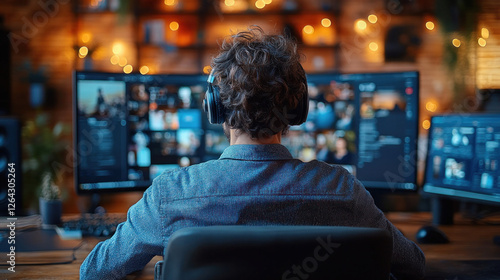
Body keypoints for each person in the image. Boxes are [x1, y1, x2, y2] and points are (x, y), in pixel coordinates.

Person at [80, 26, 425, 280]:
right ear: (297, 110)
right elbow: (412, 265)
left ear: (214, 108)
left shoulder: (170, 196)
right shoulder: (342, 190)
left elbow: (94, 272)